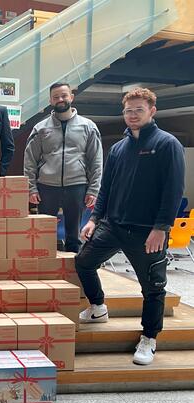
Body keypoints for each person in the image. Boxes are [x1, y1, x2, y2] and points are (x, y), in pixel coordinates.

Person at [76, 87, 185, 366]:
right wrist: (93, 219)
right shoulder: (119, 148)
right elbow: (106, 188)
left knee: (153, 288)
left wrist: (161, 227)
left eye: (139, 110)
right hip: (113, 225)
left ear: (152, 111)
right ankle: (98, 306)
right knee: (84, 262)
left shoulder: (167, 144)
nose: (133, 115)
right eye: (128, 111)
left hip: (147, 231)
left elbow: (173, 190)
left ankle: (149, 338)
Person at [24, 82, 103, 252]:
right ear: (50, 101)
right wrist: (31, 188)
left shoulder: (88, 127)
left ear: (71, 97)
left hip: (77, 186)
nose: (60, 99)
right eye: (56, 97)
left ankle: (73, 266)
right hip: (46, 187)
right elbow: (29, 161)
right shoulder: (40, 128)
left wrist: (93, 189)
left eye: (64, 95)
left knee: (74, 236)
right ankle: (47, 266)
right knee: (45, 235)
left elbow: (96, 161)